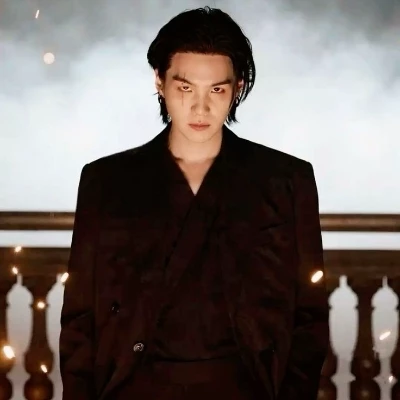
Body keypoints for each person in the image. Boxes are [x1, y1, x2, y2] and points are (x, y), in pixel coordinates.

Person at [59, 6, 330, 400]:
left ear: (237, 88)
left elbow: (309, 314)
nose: (200, 108)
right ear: (159, 81)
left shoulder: (286, 180)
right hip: (133, 388)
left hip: (248, 388)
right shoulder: (107, 181)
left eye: (216, 90)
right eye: (185, 88)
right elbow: (80, 318)